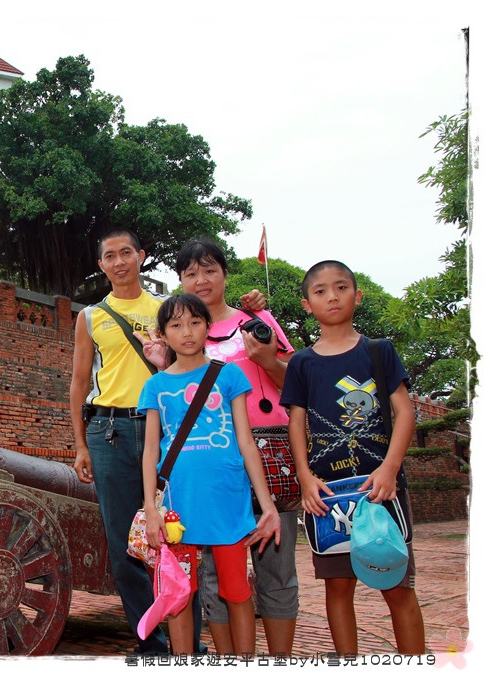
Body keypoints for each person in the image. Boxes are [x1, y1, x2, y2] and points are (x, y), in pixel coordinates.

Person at [69, 229, 263, 654]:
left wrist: (253, 306)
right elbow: (79, 380)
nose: (119, 262)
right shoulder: (90, 316)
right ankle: (155, 645)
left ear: (141, 256)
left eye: (126, 253)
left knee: (179, 539)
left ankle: (188, 647)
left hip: (173, 436)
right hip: (111, 430)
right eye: (109, 256)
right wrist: (80, 443)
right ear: (100, 265)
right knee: (128, 546)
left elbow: (207, 324)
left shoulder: (166, 309)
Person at [279, 260, 425, 655]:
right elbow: (296, 422)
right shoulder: (302, 362)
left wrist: (390, 469)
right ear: (307, 304)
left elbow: (405, 410)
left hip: (381, 489)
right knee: (338, 588)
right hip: (329, 493)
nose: (332, 297)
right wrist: (305, 478)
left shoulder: (378, 351)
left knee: (396, 584)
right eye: (320, 291)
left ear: (357, 295)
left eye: (341, 287)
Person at [174, 239, 299, 656]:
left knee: (275, 569)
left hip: (269, 451)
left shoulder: (256, 320)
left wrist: (265, 358)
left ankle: (279, 660)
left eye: (209, 269)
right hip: (212, 462)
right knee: (215, 573)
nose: (201, 280)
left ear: (226, 274)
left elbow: (295, 385)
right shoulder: (183, 333)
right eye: (190, 273)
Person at [137, 293, 281, 655]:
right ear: (163, 334)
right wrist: (151, 511)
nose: (186, 332)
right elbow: (150, 451)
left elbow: (246, 442)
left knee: (236, 590)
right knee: (178, 594)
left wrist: (267, 506)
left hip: (227, 501)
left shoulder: (229, 375)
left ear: (208, 327)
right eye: (175, 325)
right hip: (176, 507)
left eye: (195, 322)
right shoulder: (155, 385)